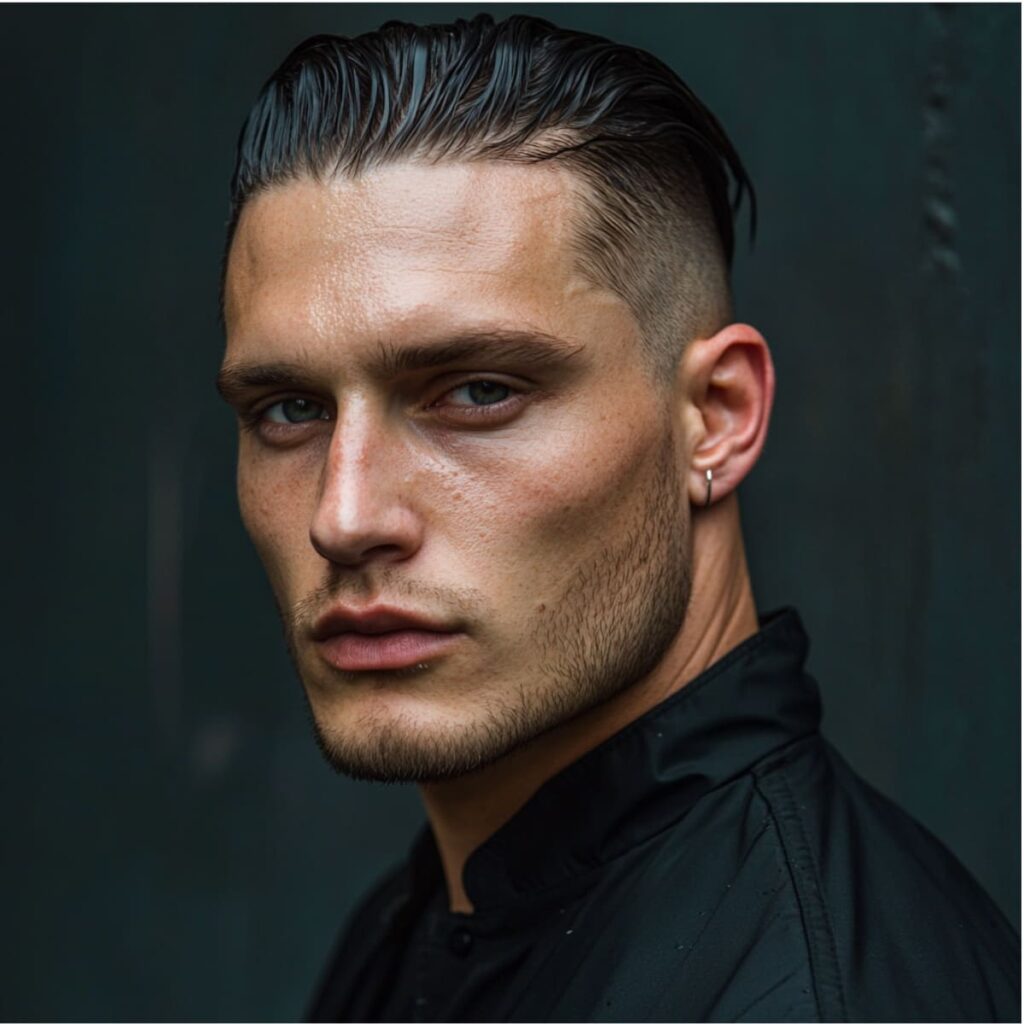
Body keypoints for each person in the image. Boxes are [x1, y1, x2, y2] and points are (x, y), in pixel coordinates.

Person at [214, 13, 1019, 1022]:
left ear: (714, 420)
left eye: (476, 393)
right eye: (289, 409)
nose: (345, 514)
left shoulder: (808, 994)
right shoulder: (426, 918)